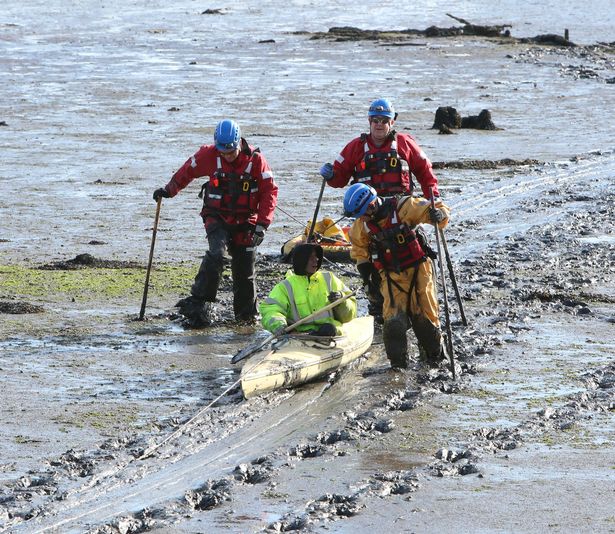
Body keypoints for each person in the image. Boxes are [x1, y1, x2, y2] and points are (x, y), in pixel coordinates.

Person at [318, 98, 442, 320]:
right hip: (367, 214)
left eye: (384, 120)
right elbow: (339, 178)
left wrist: (433, 198)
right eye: (375, 120)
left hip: (402, 211)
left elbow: (425, 171)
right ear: (369, 121)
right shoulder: (355, 148)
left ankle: (417, 304)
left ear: (392, 122)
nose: (379, 124)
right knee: (365, 256)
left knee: (414, 254)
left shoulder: (405, 144)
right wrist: (330, 175)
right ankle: (377, 304)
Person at [153, 119, 278, 327]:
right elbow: (187, 171)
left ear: (239, 144)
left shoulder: (257, 161)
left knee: (245, 270)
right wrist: (168, 190)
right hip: (216, 215)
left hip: (247, 220)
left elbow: (270, 192)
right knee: (216, 254)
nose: (228, 156)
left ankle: (246, 319)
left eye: (231, 151)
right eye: (223, 151)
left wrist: (262, 224)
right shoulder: (208, 155)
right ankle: (199, 301)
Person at [342, 183, 451, 370]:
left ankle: (434, 357)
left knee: (424, 316)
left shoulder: (403, 207)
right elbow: (359, 252)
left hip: (419, 269)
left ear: (371, 205)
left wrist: (439, 215)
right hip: (391, 275)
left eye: (362, 214)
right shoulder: (362, 227)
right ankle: (398, 365)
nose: (361, 219)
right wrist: (367, 278)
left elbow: (434, 209)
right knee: (393, 321)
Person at [260, 243, 356, 337]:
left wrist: (341, 301)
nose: (316, 260)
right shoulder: (285, 286)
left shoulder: (329, 279)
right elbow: (270, 310)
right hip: (299, 336)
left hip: (330, 333)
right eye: (311, 257)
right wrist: (278, 326)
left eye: (316, 256)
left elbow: (349, 315)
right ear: (301, 261)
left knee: (327, 329)